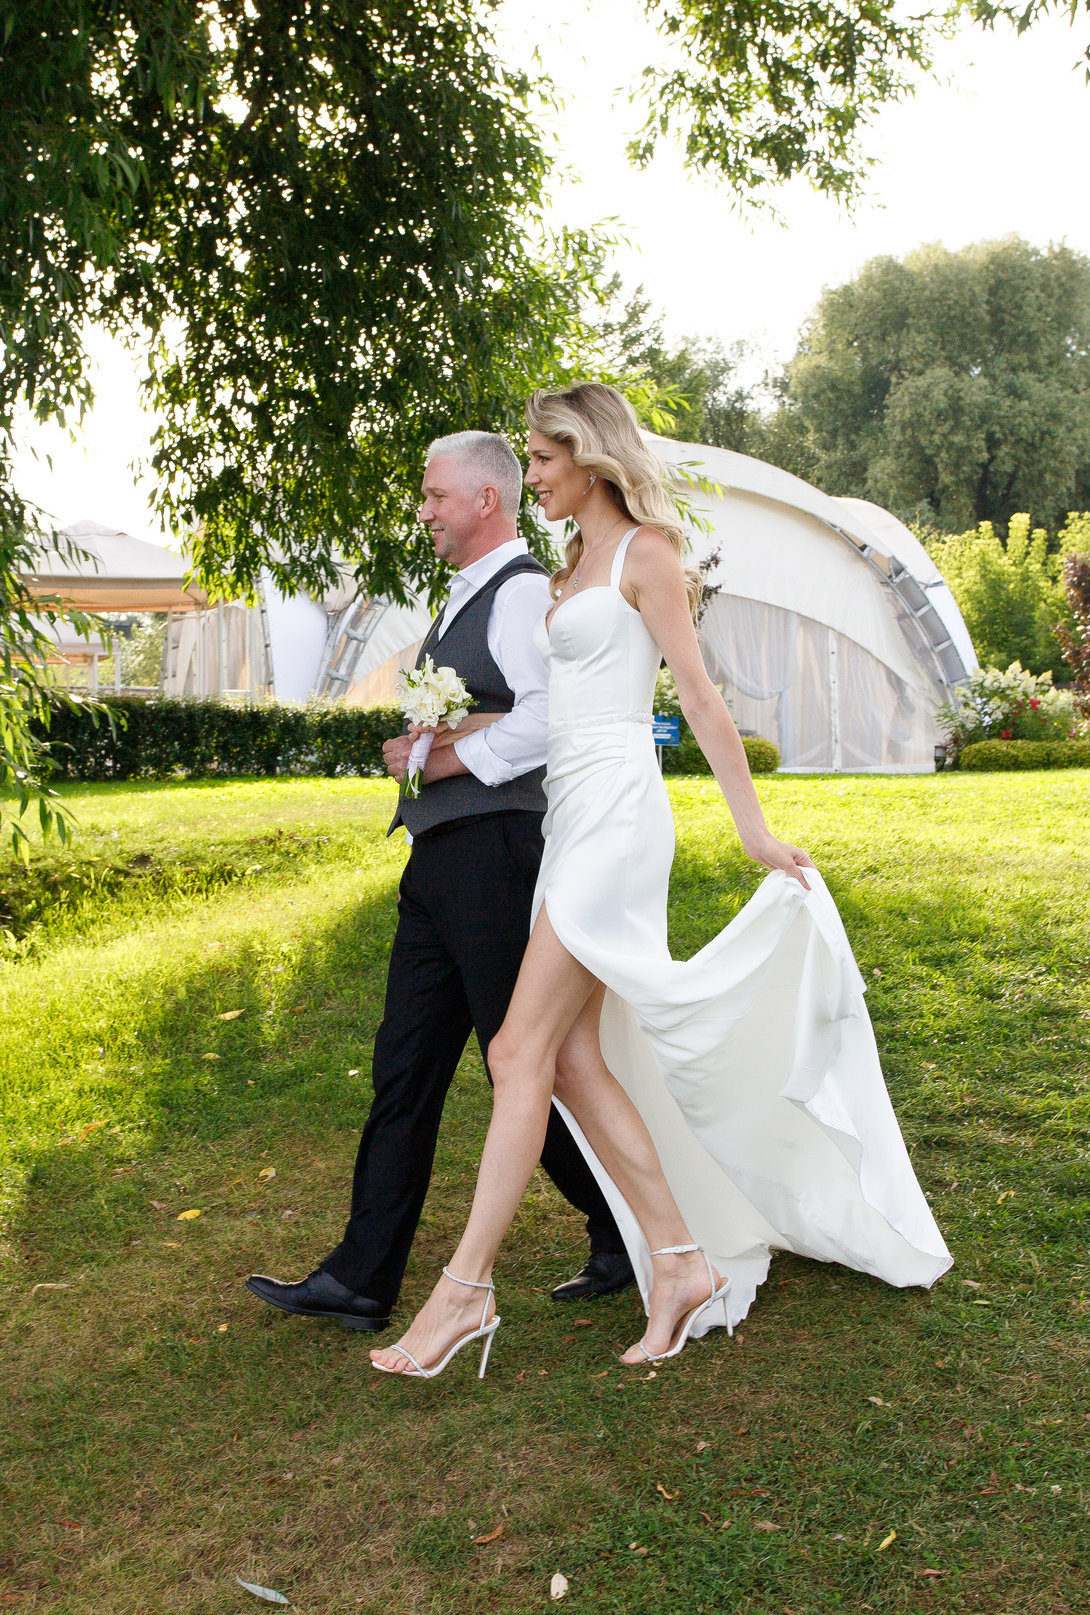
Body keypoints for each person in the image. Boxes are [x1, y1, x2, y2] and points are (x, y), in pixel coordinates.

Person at [369, 383, 953, 1380]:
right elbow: (554, 712)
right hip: (570, 815)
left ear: (588, 455)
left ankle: (464, 1291)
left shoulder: (647, 554)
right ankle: (679, 1261)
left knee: (517, 1052)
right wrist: (443, 737)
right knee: (574, 1061)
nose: (535, 480)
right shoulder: (565, 567)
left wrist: (753, 831)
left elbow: (698, 696)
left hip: (621, 821)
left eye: (543, 462)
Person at [245, 431, 634, 1336]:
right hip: (442, 863)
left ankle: (625, 1224)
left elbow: (548, 718)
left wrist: (446, 761)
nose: (423, 512)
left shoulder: (525, 592)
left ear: (485, 500)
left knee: (531, 1064)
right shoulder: (471, 595)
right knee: (405, 1065)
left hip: (496, 858)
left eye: (434, 496)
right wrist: (427, 751)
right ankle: (361, 1276)